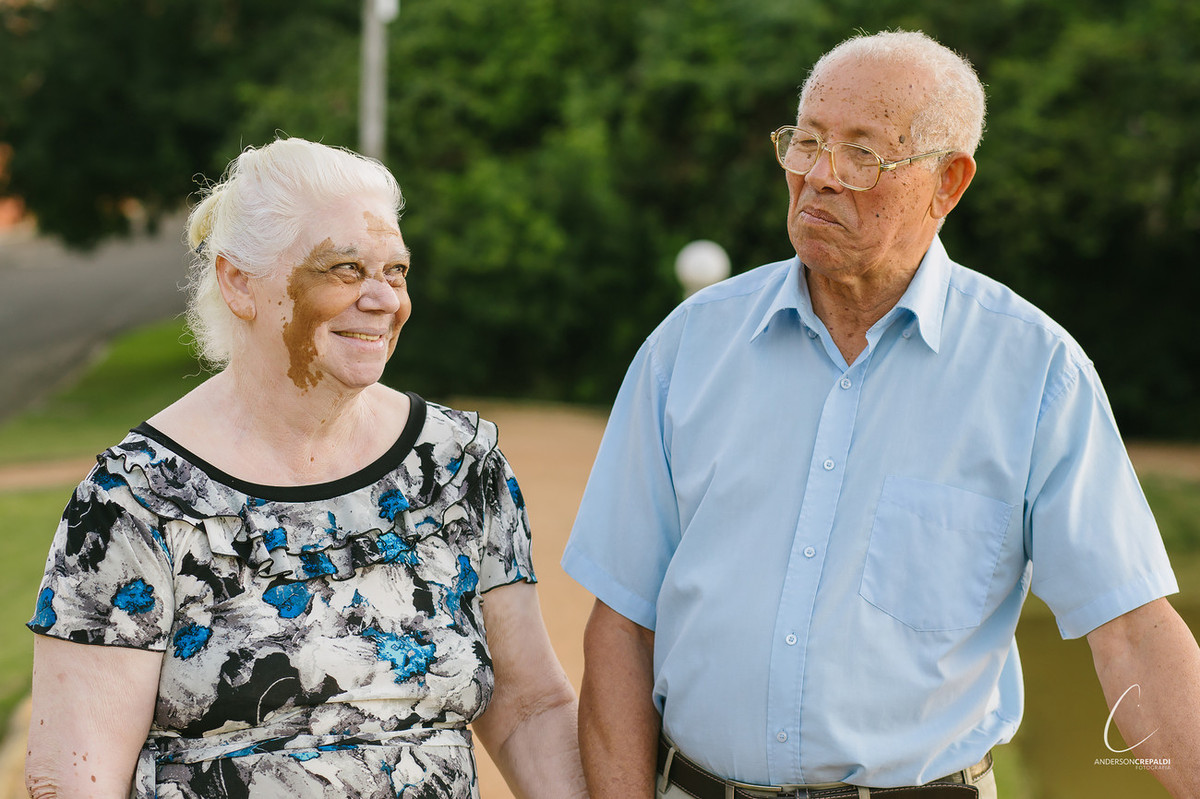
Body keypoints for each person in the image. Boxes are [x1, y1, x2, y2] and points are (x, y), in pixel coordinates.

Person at [562, 29, 1200, 799]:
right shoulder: (685, 349)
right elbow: (623, 625)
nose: (820, 175)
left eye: (863, 152)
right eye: (806, 142)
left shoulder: (1035, 373)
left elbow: (1133, 633)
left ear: (948, 183)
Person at [24, 137, 586, 799]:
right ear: (239, 282)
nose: (383, 299)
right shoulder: (137, 501)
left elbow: (528, 709)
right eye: (345, 268)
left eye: (396, 271)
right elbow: (71, 778)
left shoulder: (460, 467)